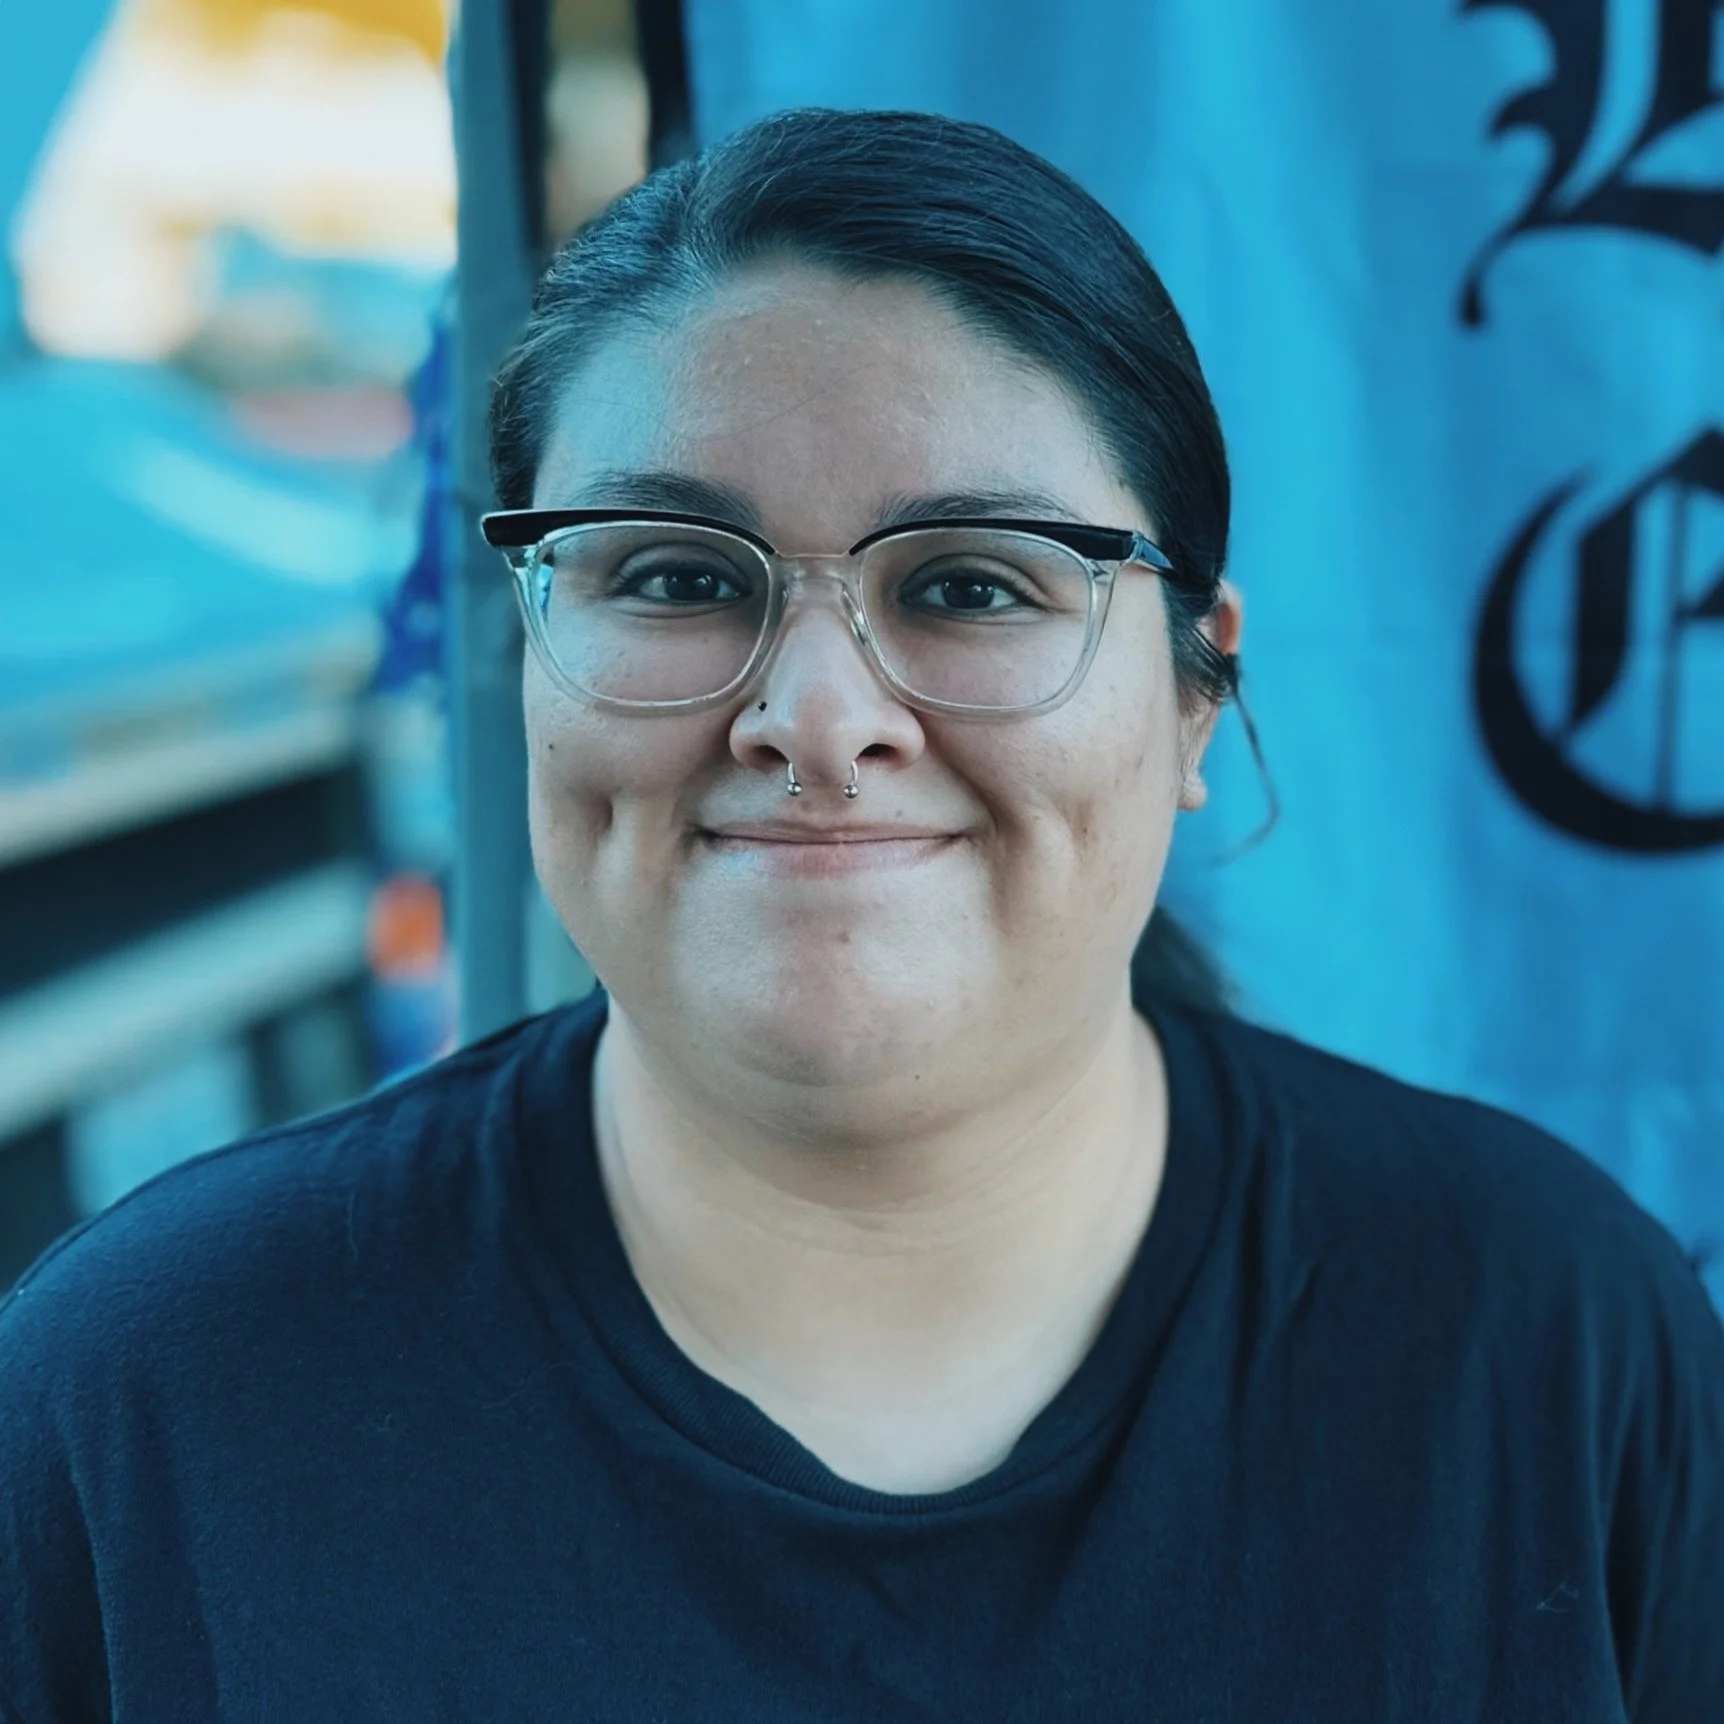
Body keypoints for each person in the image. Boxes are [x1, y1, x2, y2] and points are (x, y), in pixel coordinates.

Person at [2, 109, 1720, 1722]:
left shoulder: (1546, 1346)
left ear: (1197, 697)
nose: (817, 720)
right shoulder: (149, 1401)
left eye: (971, 585)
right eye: (673, 576)